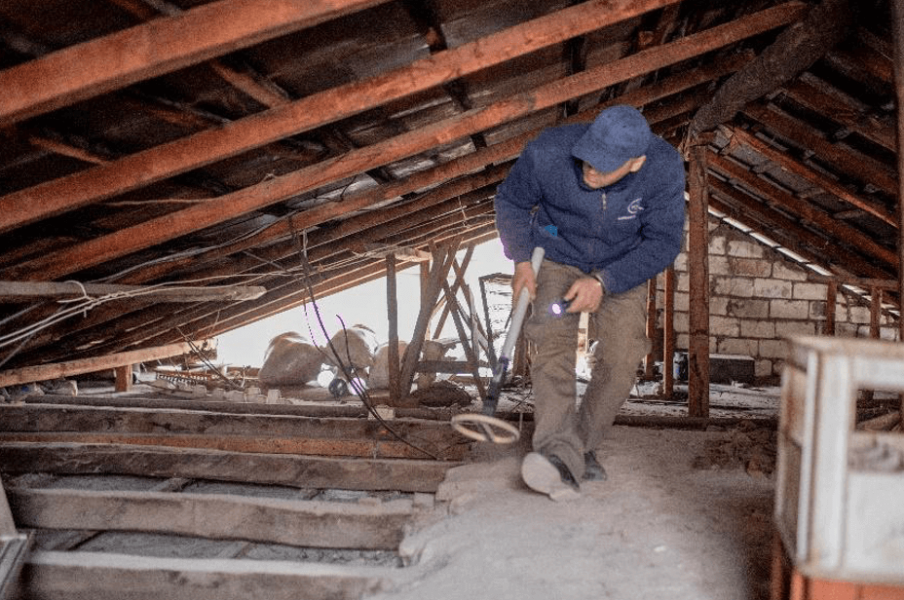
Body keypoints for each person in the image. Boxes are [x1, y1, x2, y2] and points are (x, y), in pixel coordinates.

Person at [494, 104, 686, 501]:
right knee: (551, 343)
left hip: (622, 262)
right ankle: (556, 455)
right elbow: (512, 203)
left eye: (605, 165)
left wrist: (605, 280)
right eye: (588, 157)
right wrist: (520, 259)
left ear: (636, 164)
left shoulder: (663, 169)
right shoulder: (548, 151)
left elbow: (664, 242)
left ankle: (580, 446)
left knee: (623, 355)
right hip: (557, 249)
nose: (591, 170)